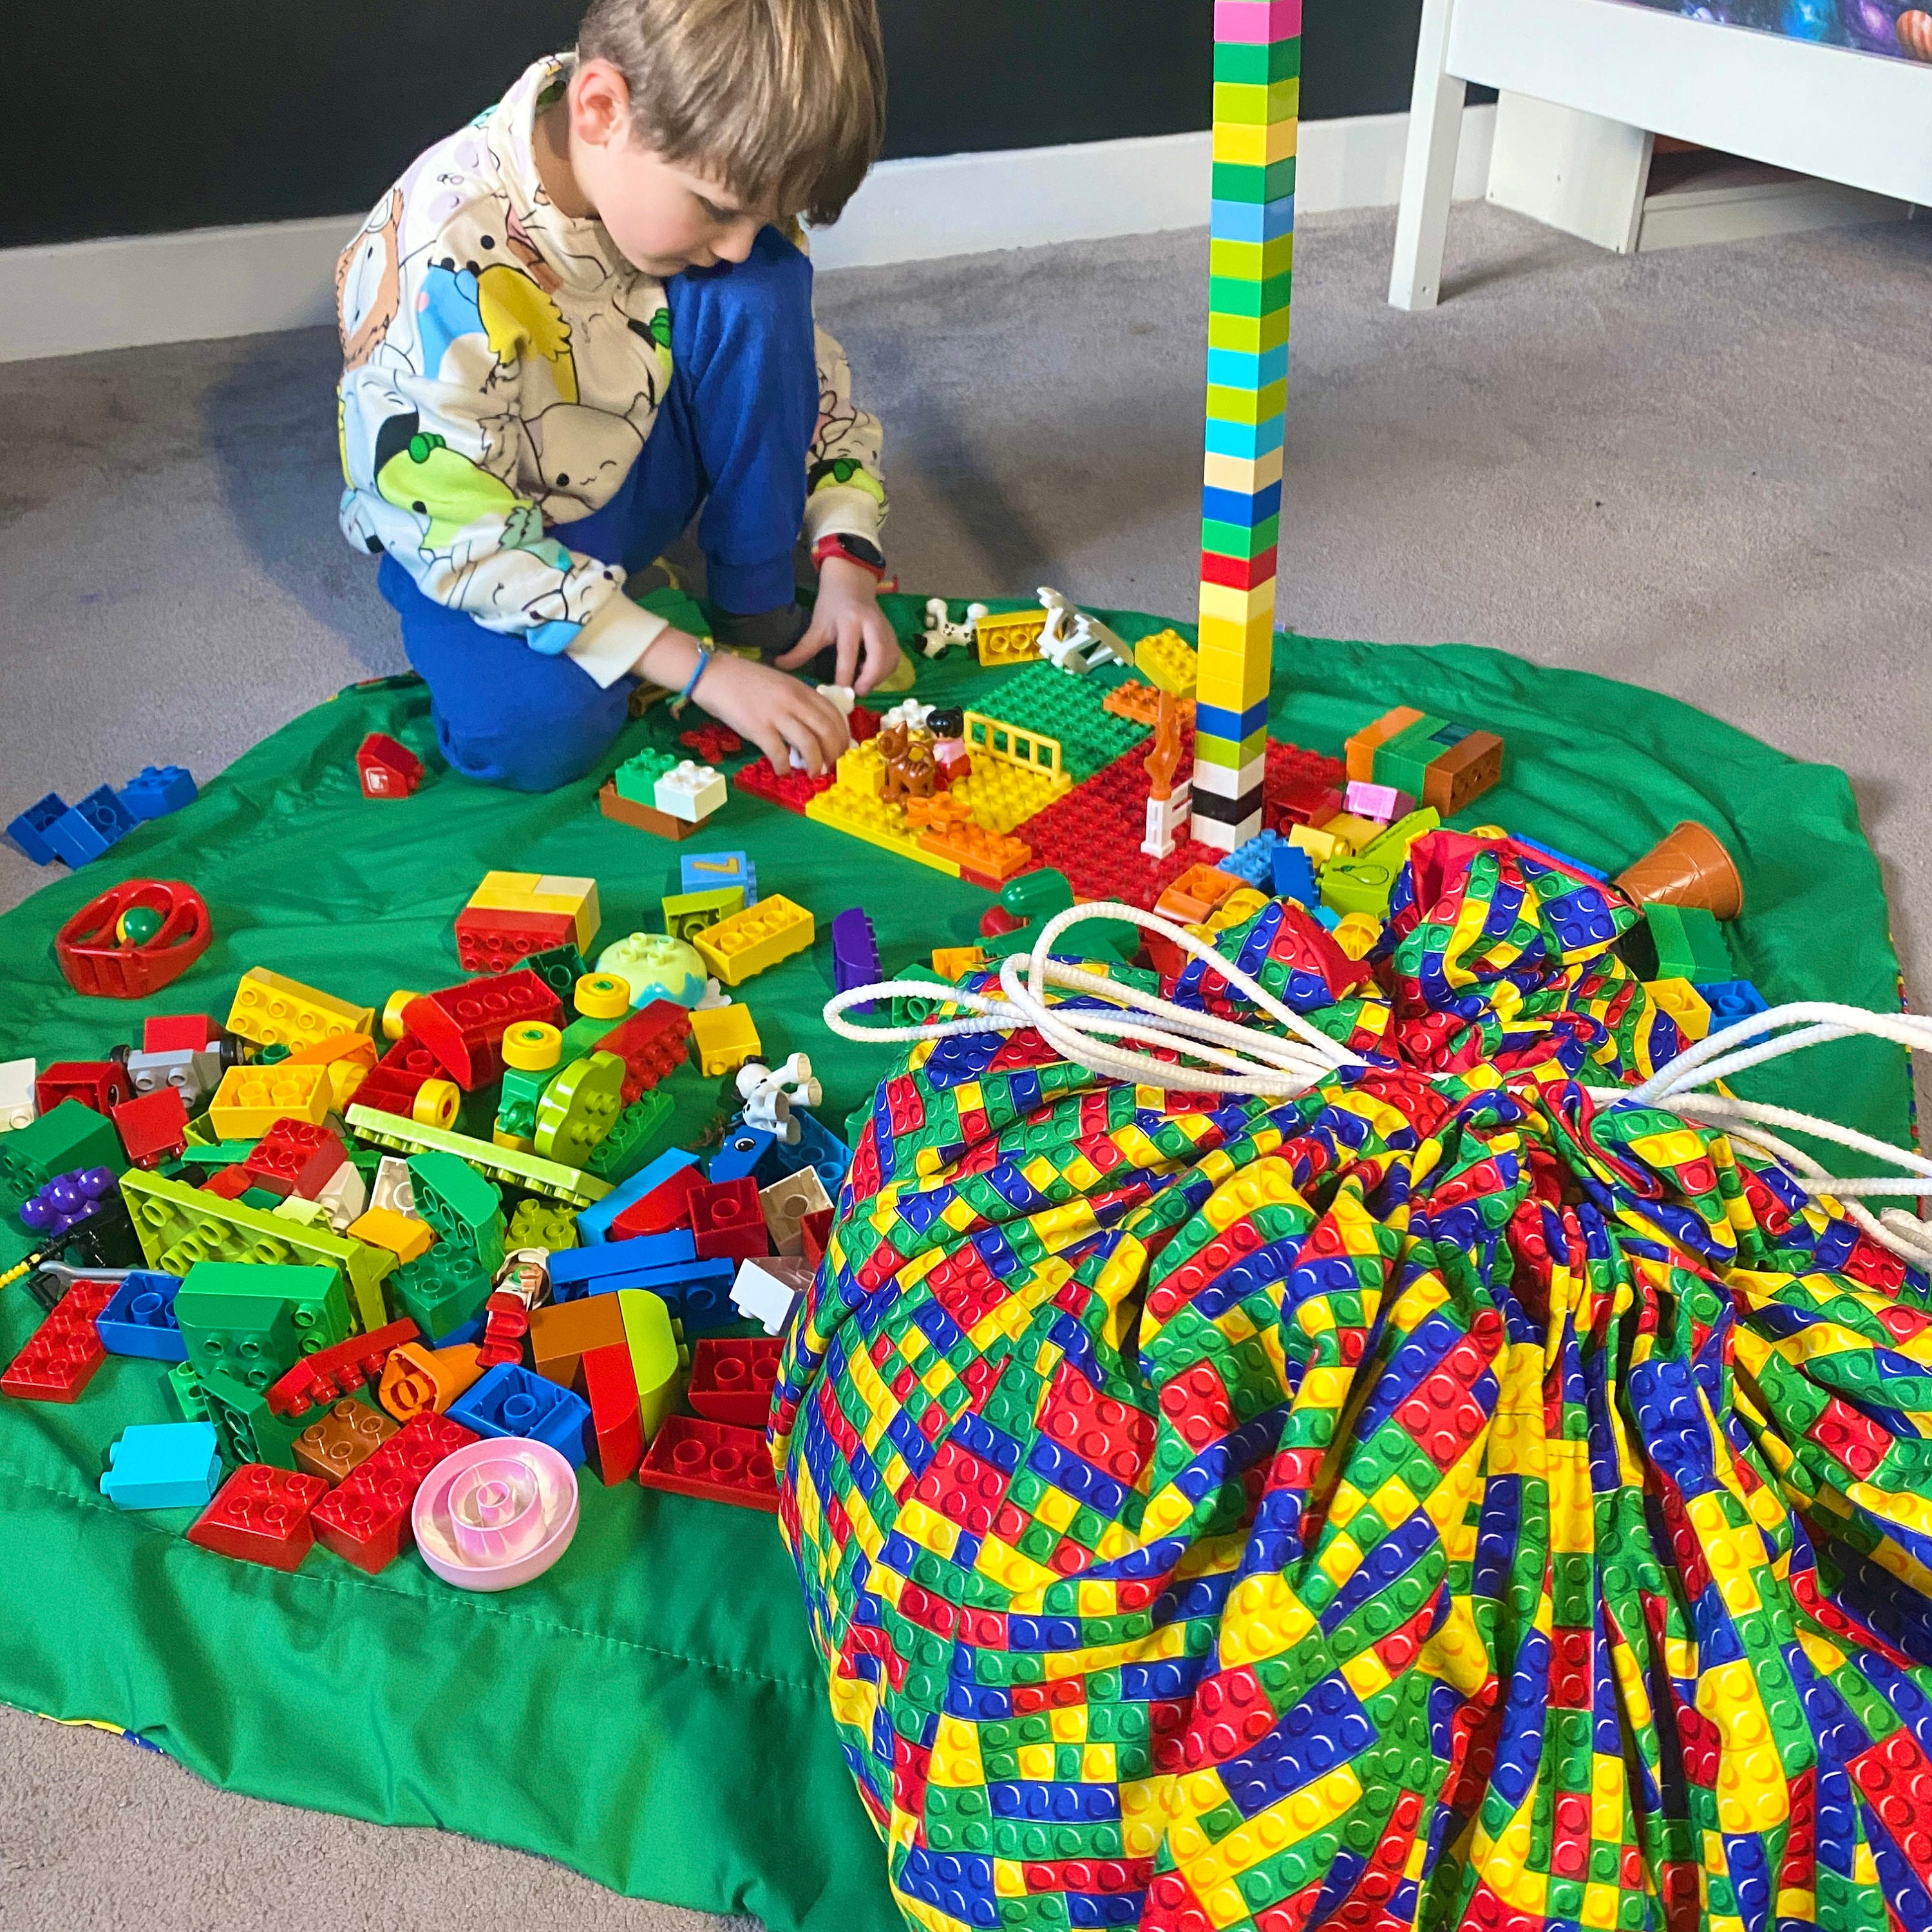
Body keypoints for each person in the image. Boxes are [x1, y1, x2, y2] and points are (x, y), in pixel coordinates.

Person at [334, 0, 900, 791]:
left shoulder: (712, 198)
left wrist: (846, 562)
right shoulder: (440, 257)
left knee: (760, 288)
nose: (740, 241)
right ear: (601, 111)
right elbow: (459, 534)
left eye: (768, 215)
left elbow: (803, 383)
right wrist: (697, 673)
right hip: (480, 527)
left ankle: (754, 596)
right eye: (720, 210)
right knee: (533, 740)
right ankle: (642, 616)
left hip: (634, 457)